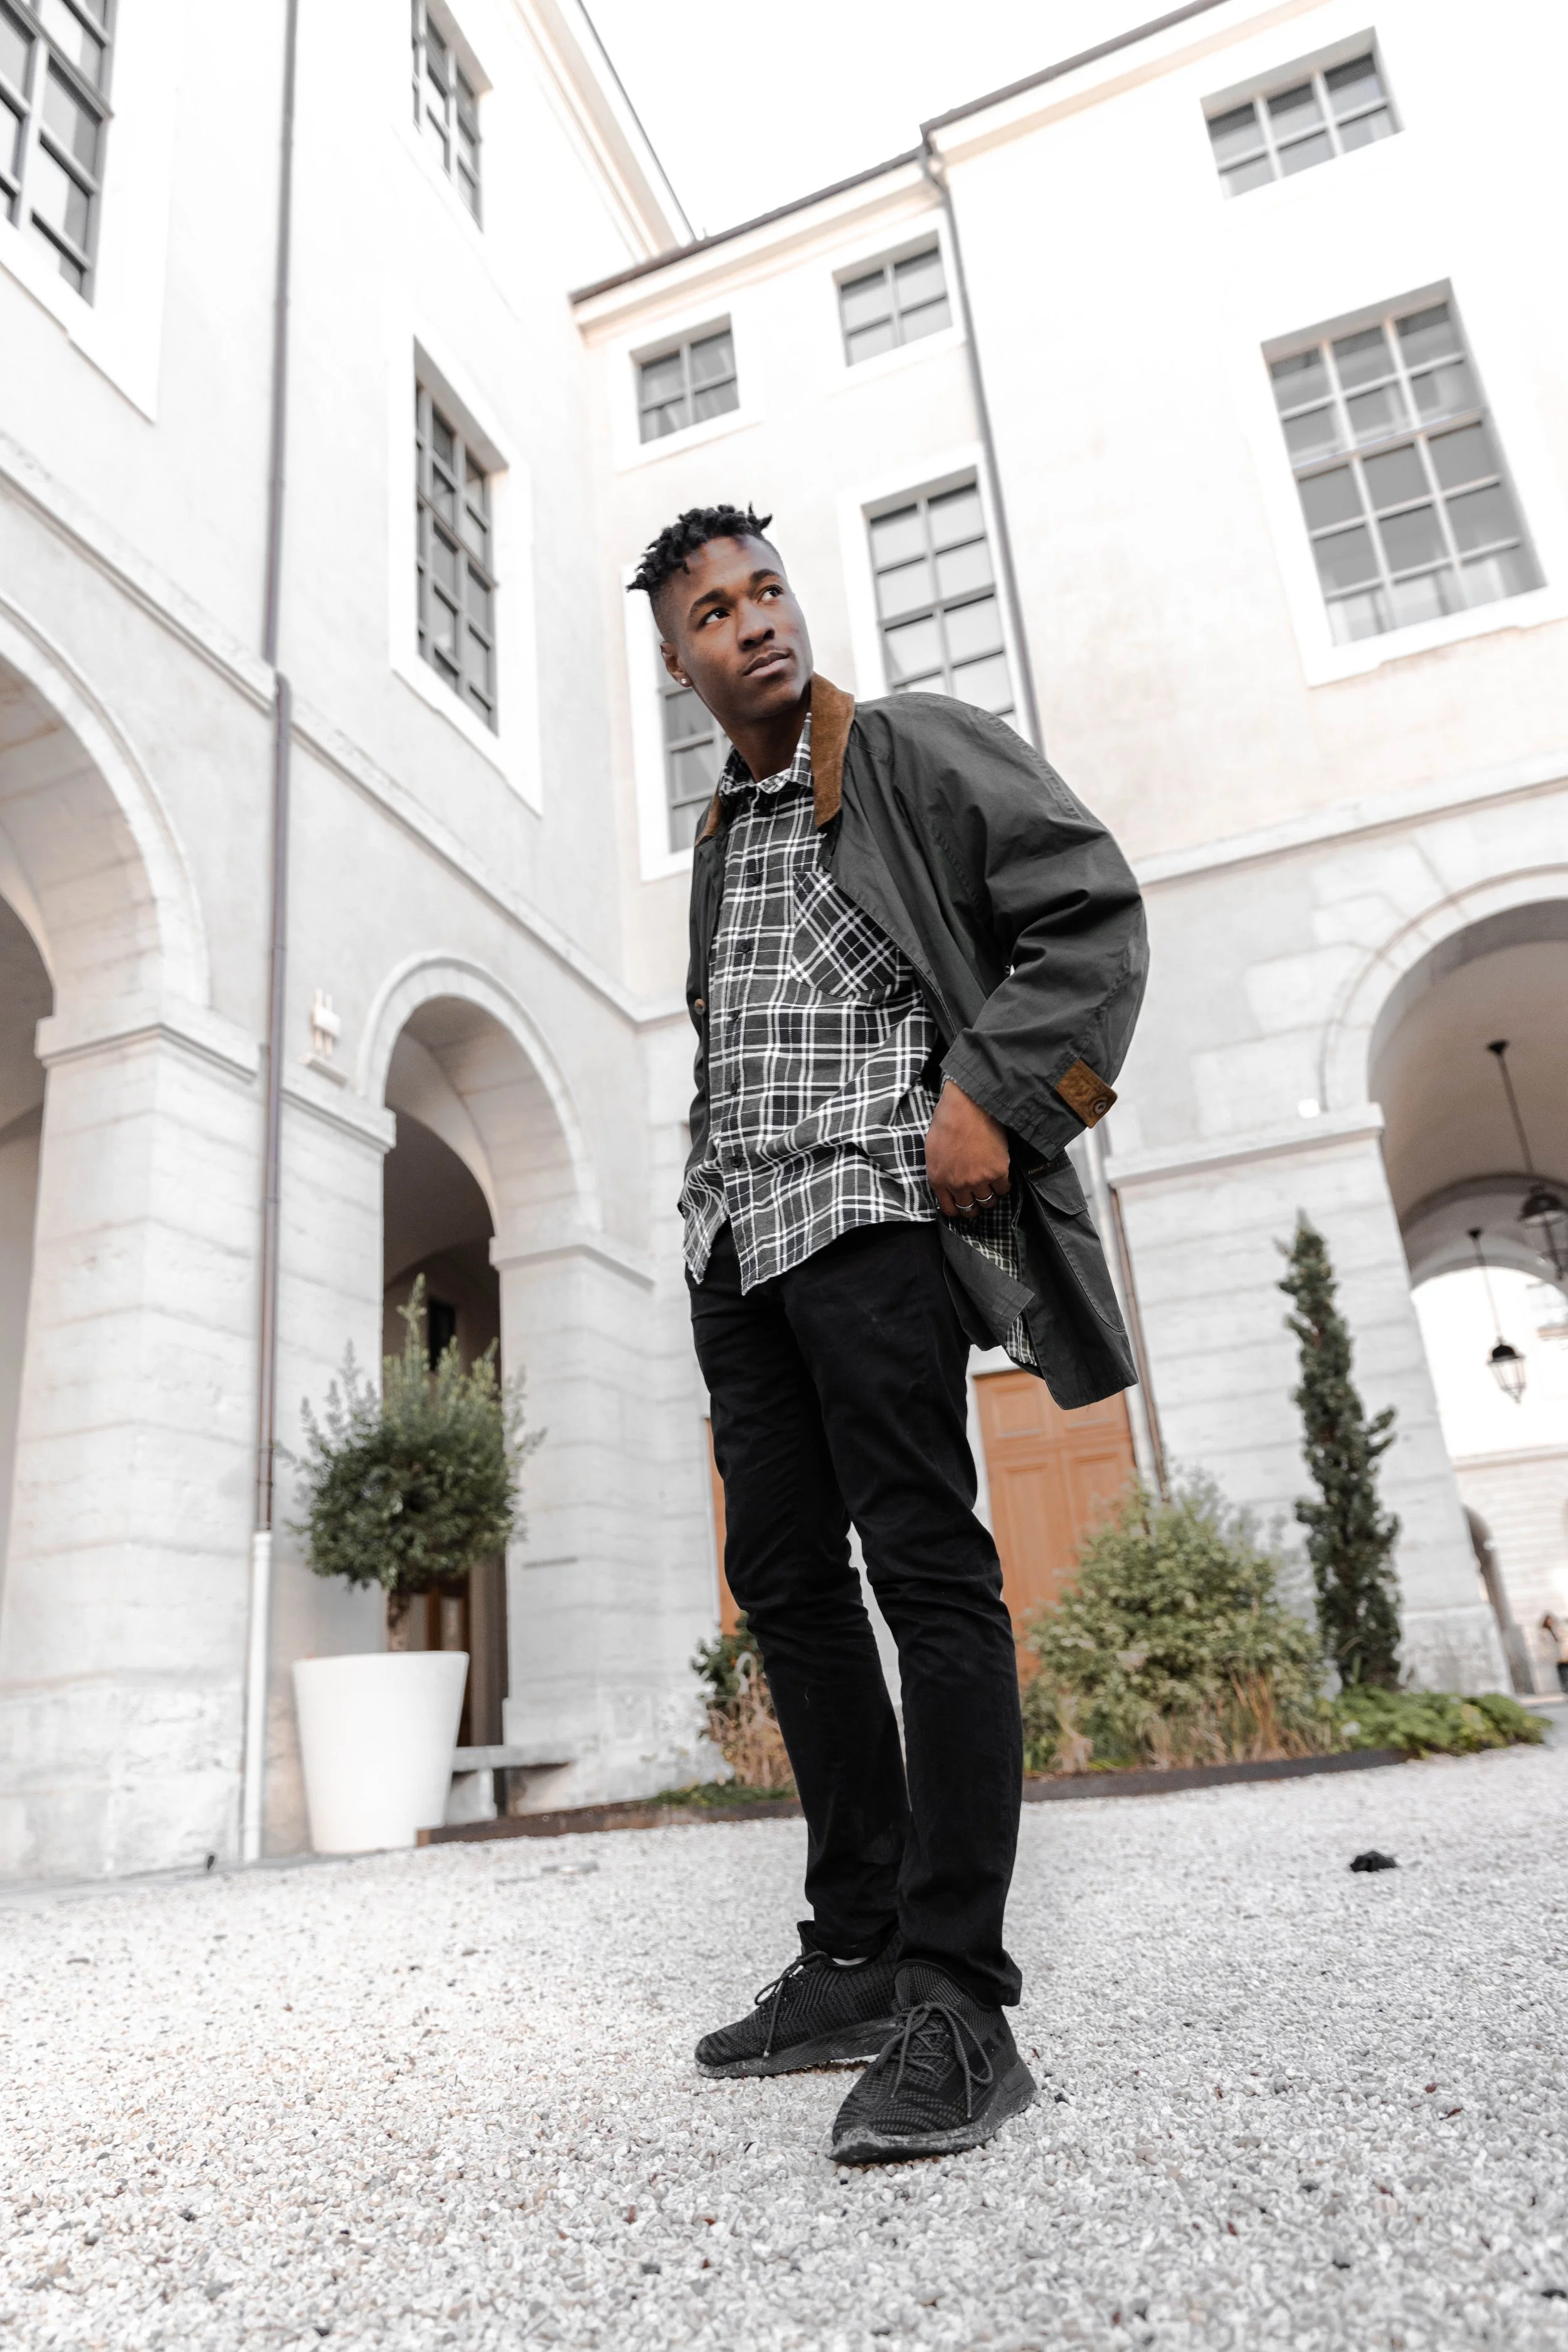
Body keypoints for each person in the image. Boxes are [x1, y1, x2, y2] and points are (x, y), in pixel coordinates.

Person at [632, 503, 1147, 2164]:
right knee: (786, 1583)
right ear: (677, 660)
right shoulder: (722, 829)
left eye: (768, 589)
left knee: (925, 1566)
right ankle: (853, 1949)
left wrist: (991, 1093)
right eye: (714, 611)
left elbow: (1087, 905)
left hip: (871, 1212)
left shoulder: (910, 749)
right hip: (740, 1243)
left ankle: (957, 1998)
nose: (754, 622)